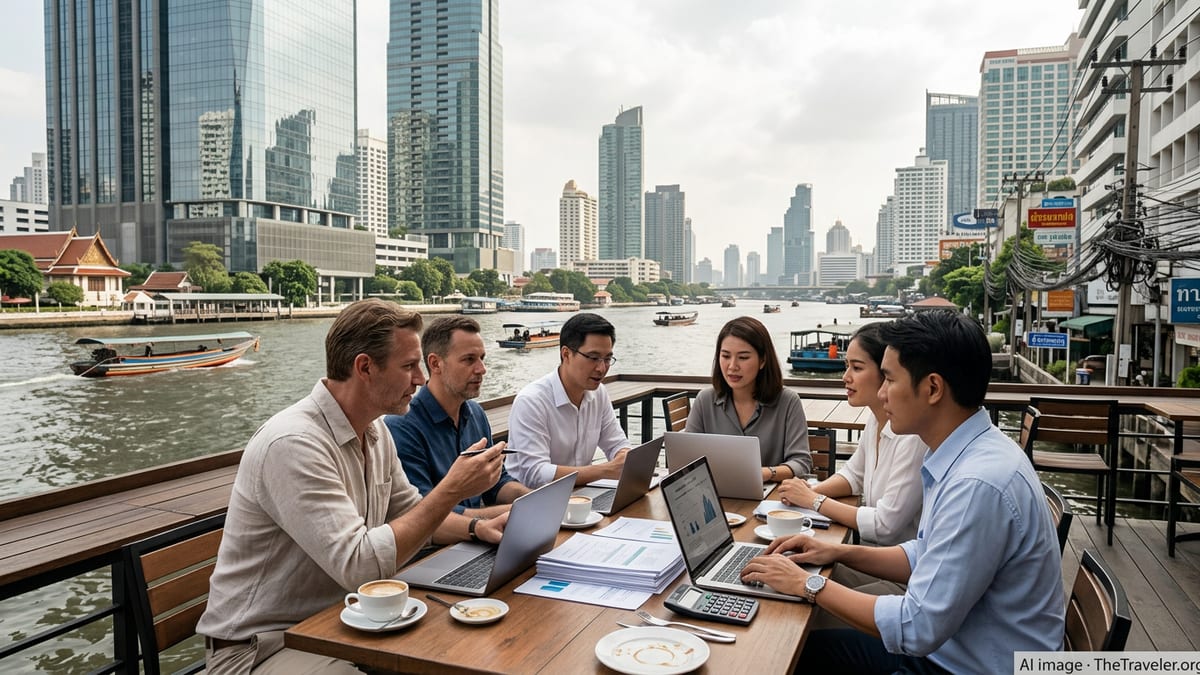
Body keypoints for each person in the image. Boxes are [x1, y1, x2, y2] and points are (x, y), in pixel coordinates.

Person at [741, 310, 1064, 674]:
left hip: (966, 665)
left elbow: (917, 627)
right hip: (957, 647)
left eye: (889, 379)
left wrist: (808, 584)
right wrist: (834, 550)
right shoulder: (967, 454)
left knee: (794, 650)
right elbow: (923, 552)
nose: (881, 392)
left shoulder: (977, 483)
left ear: (932, 388)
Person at [198, 299, 510, 674]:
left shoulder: (376, 430)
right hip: (262, 647)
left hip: (342, 622)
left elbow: (413, 513)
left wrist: (478, 527)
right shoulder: (294, 444)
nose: (421, 379)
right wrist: (452, 490)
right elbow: (360, 567)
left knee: (473, 646)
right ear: (364, 367)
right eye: (409, 366)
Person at [776, 322, 925, 547]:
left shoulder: (913, 436)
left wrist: (814, 500)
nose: (846, 376)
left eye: (857, 367)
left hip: (898, 569)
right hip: (873, 553)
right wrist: (809, 491)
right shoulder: (876, 420)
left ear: (886, 372)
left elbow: (884, 526)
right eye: (847, 366)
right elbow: (854, 476)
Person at [386, 316, 530, 520]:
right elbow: (419, 513)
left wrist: (532, 498)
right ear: (435, 364)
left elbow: (496, 483)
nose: (482, 369)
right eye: (469, 359)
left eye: (482, 358)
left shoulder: (475, 413)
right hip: (437, 549)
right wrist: (515, 511)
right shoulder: (402, 427)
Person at [506, 312, 630, 488]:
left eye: (608, 359)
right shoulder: (532, 401)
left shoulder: (598, 393)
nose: (602, 368)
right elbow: (534, 474)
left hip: (580, 497)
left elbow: (617, 443)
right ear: (566, 354)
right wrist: (607, 470)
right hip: (535, 502)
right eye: (593, 358)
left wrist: (623, 457)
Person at [684, 316, 812, 482]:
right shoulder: (705, 400)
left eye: (743, 357)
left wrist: (766, 473)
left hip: (769, 500)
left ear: (763, 360)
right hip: (717, 497)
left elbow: (801, 463)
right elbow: (687, 458)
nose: (732, 366)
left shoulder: (788, 401)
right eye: (725, 356)